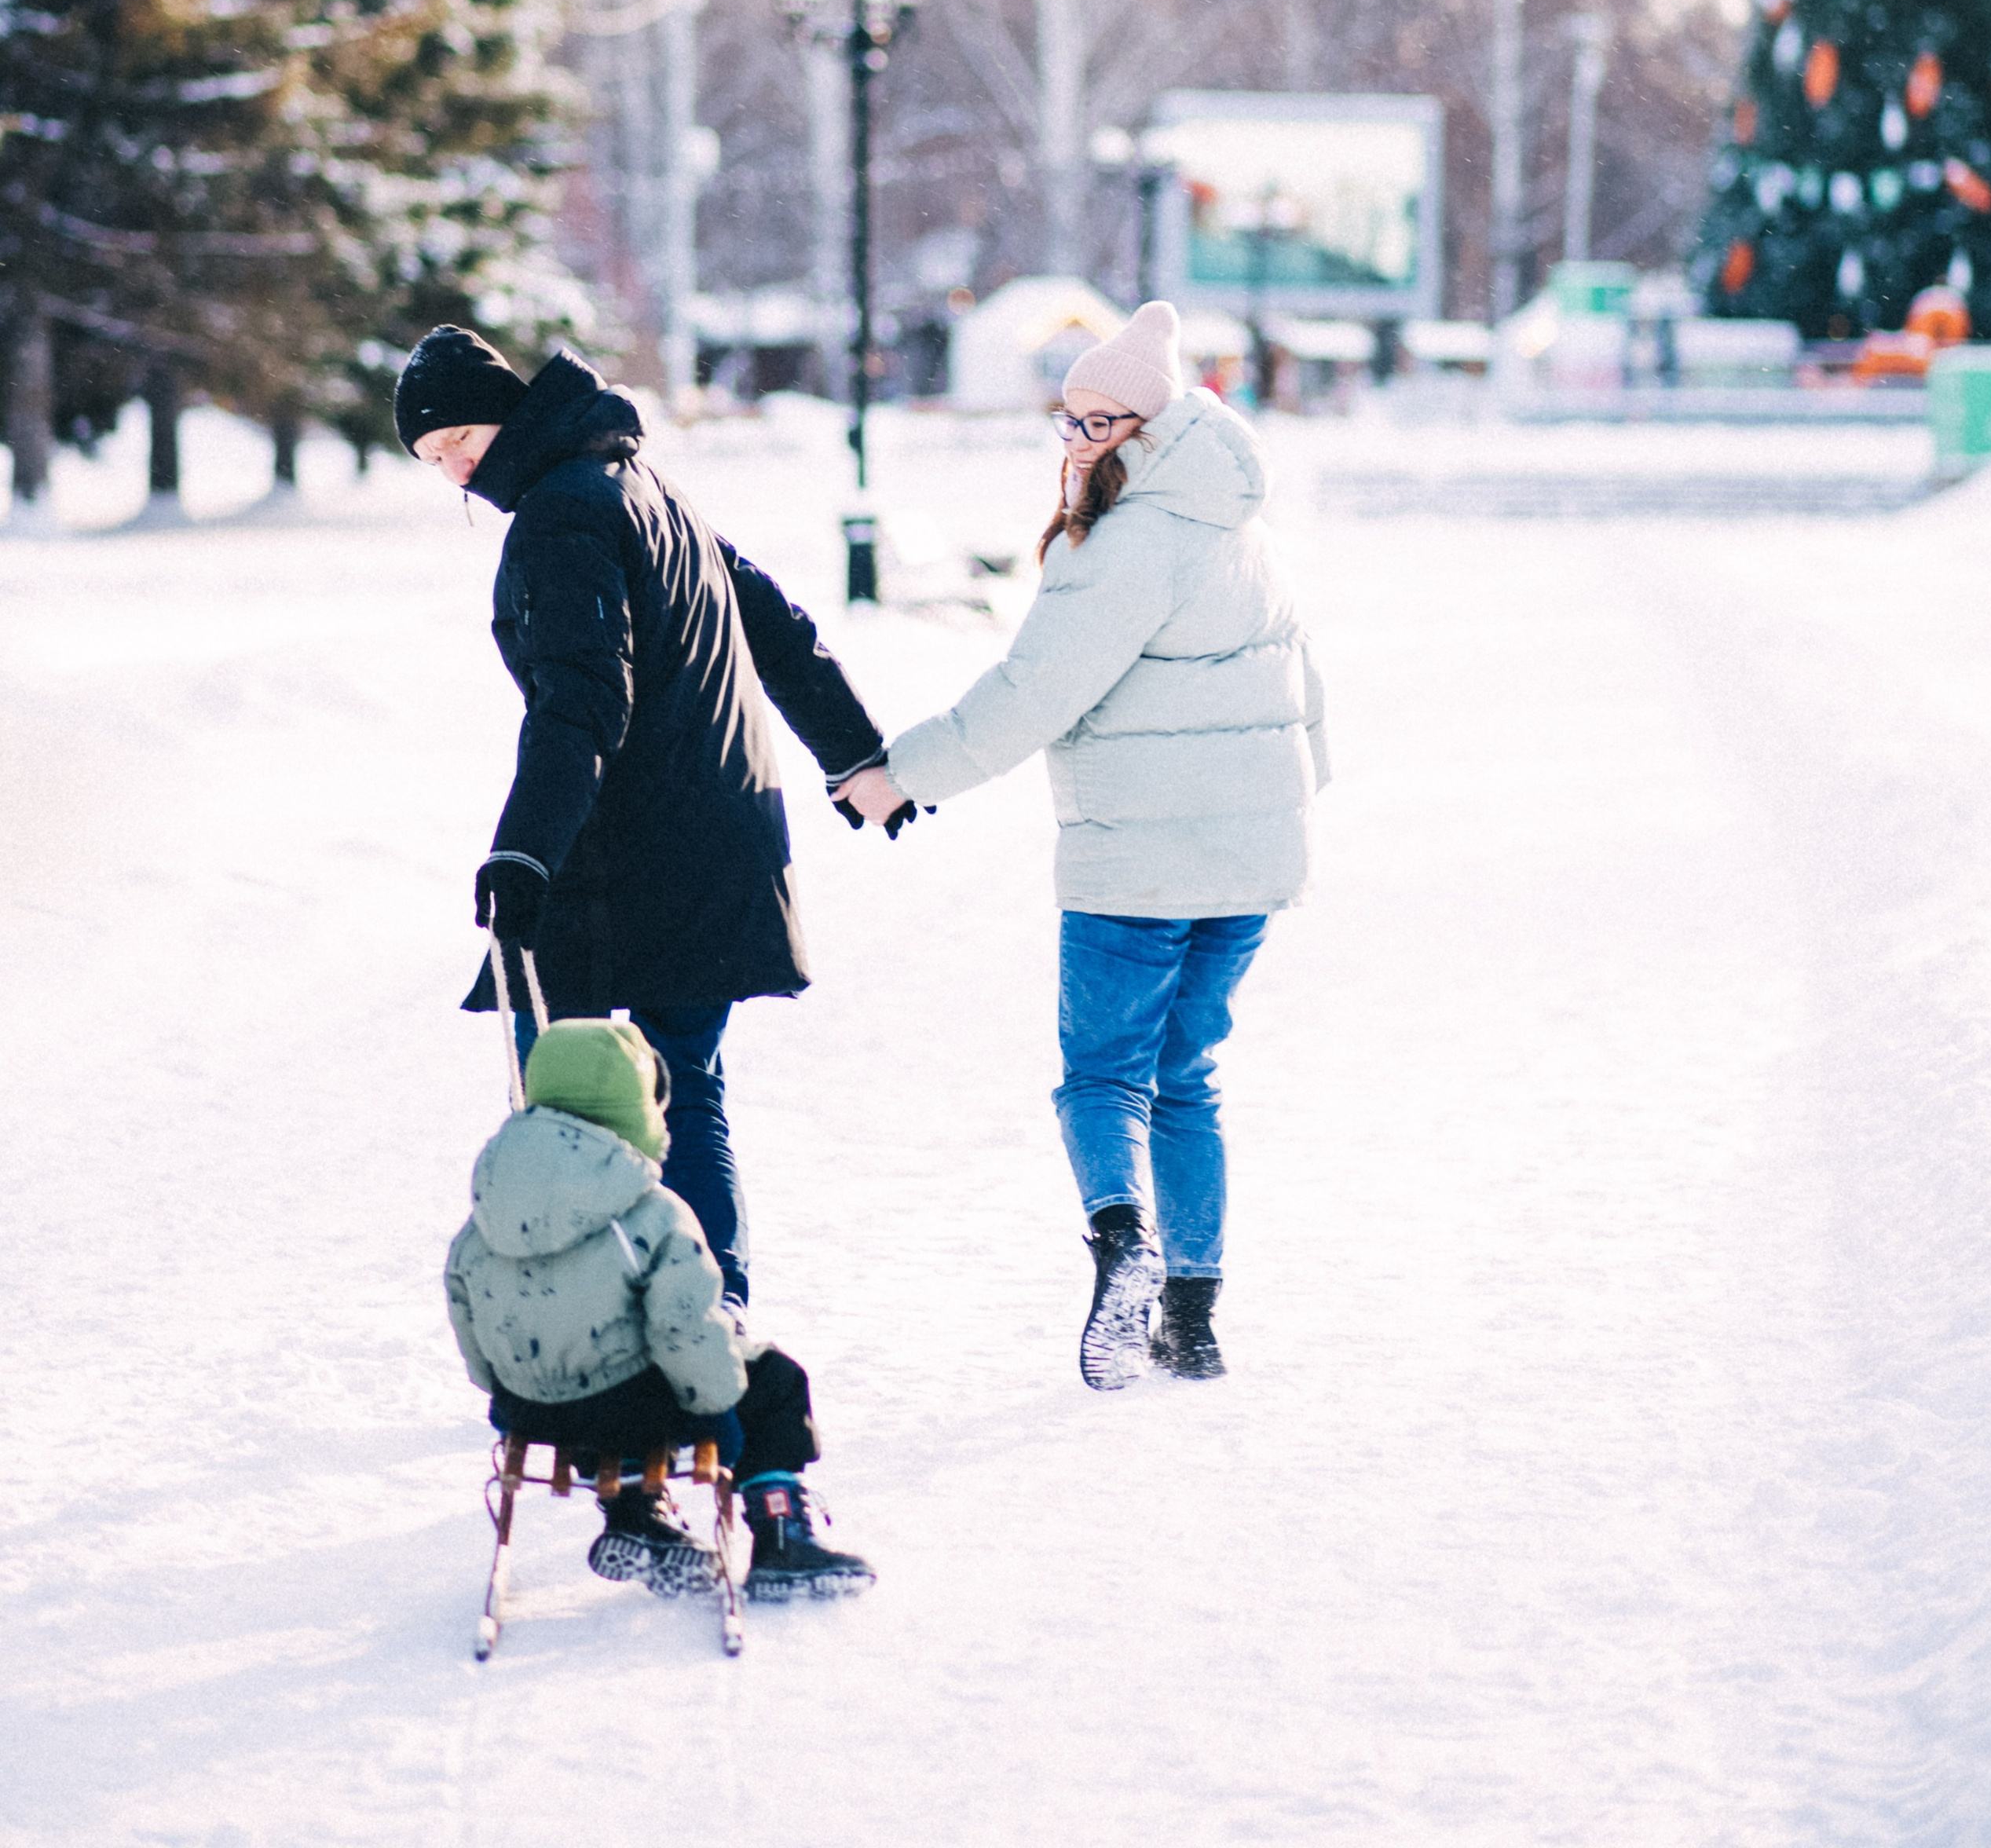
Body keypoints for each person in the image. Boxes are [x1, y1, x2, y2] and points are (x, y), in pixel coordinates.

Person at [840, 301, 1327, 1392]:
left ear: (1152, 426)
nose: (1074, 441)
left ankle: (1125, 1246)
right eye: (1068, 420)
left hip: (1138, 862)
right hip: (1246, 863)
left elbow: (1036, 692)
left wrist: (897, 777)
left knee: (1105, 1075)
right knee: (1187, 1080)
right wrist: (1288, 821)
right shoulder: (1244, 531)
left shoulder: (1133, 541)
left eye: (1097, 423)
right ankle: (1192, 1319)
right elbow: (1307, 693)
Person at [397, 326, 898, 1316]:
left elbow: (581, 703)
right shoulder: (636, 484)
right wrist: (853, 755)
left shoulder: (561, 514)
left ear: (504, 412)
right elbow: (772, 624)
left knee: (573, 1103)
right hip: (709, 839)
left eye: (456, 435)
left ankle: (600, 1331)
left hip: (620, 855)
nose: (452, 465)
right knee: (683, 1087)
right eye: (430, 457)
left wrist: (521, 854)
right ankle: (714, 1318)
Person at [446, 1015, 873, 1601]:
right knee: (771, 1382)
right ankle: (781, 1534)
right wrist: (719, 1409)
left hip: (529, 1410)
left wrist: (507, 1389)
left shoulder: (486, 1211)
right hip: (627, 1406)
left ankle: (636, 1518)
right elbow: (684, 1331)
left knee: (602, 1372)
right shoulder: (651, 1212)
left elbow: (465, 1312)